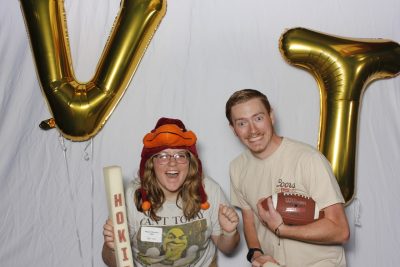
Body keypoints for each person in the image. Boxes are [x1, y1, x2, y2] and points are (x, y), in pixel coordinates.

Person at [225, 89, 350, 267]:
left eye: (258, 118)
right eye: (242, 123)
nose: (253, 130)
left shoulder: (308, 159)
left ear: (271, 117)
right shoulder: (237, 167)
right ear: (233, 129)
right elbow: (249, 219)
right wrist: (256, 254)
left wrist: (281, 229)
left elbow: (340, 231)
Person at [102, 117, 240, 267]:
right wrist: (112, 247)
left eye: (180, 155)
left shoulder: (209, 191)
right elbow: (111, 262)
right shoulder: (131, 197)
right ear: (151, 163)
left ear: (190, 162)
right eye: (162, 156)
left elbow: (228, 248)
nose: (172, 163)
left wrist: (229, 232)